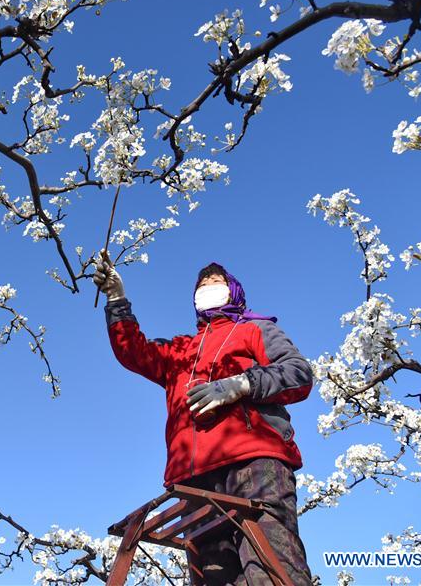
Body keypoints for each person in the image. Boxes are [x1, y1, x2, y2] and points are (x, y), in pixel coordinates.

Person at [93, 251, 314, 586]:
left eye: (217, 283)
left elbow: (298, 374)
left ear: (234, 291)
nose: (208, 288)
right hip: (194, 480)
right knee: (214, 578)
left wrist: (241, 384)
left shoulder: (255, 330)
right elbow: (134, 352)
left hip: (253, 464)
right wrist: (116, 298)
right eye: (202, 286)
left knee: (271, 568)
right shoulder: (180, 351)